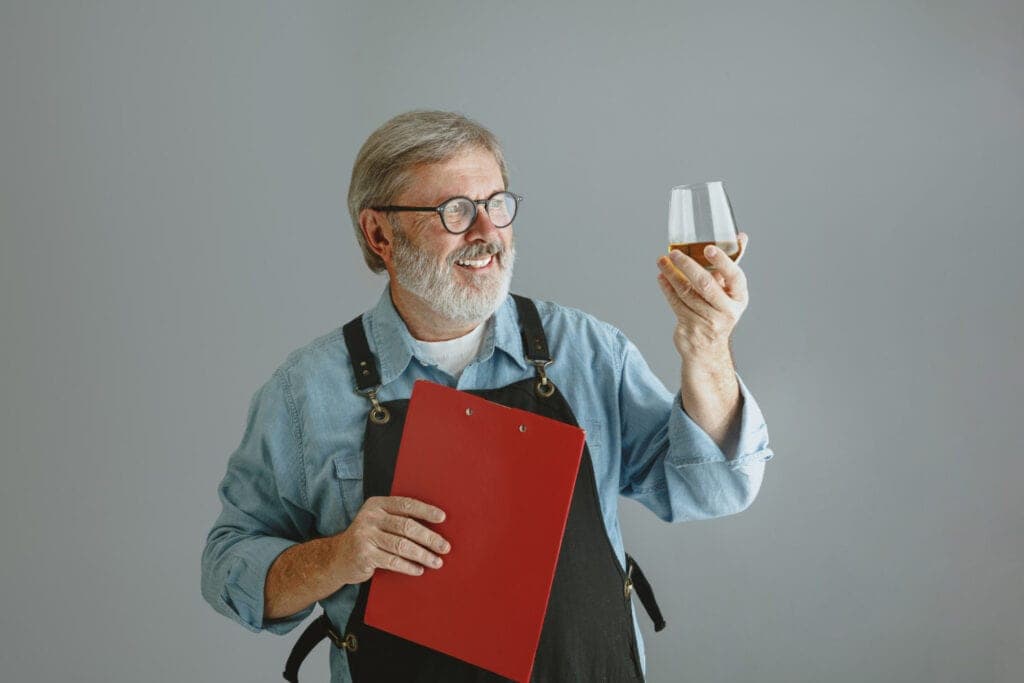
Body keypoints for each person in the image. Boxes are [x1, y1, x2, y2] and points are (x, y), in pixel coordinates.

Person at [201, 110, 774, 682]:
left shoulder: (588, 352)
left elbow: (716, 486)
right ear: (380, 234)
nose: (485, 233)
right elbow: (228, 567)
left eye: (496, 204)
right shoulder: (305, 392)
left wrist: (708, 349)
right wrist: (337, 557)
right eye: (454, 211)